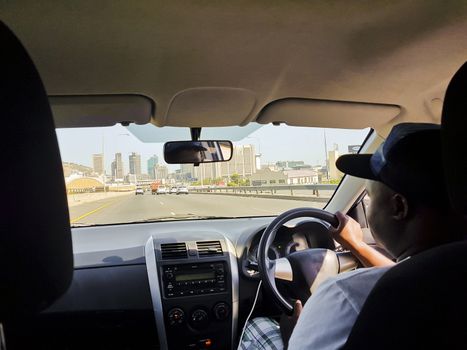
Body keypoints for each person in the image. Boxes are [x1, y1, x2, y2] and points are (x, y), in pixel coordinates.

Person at [239, 123, 465, 350]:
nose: (367, 205)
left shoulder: (343, 295)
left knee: (257, 325)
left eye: (369, 197)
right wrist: (357, 245)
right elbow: (405, 273)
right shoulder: (440, 277)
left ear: (398, 207)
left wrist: (293, 339)